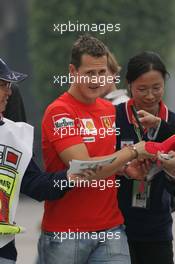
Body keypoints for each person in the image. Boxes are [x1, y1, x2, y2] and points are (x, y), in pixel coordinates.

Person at [37, 35, 153, 264]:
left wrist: (125, 170)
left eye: (102, 73)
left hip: (112, 229)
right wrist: (133, 152)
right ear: (72, 70)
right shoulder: (59, 112)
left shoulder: (109, 110)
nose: (97, 80)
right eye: (89, 73)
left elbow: (107, 161)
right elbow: (83, 169)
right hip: (66, 234)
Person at [0, 57, 78, 264]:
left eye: (9, 85)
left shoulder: (15, 135)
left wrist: (74, 175)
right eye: (2, 85)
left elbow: (37, 185)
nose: (9, 92)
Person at [115, 51, 175, 264]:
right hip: (116, 227)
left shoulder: (171, 124)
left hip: (157, 230)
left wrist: (162, 127)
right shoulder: (113, 118)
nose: (150, 96)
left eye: (156, 88)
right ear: (129, 85)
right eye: (142, 89)